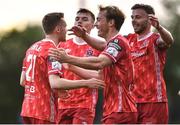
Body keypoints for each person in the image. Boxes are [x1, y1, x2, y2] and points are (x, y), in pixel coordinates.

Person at [49, 5, 137, 124]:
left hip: (120, 109)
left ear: (111, 22)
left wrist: (68, 59)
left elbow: (99, 62)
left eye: (99, 20)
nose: (96, 24)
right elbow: (99, 77)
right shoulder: (111, 44)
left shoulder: (118, 42)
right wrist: (71, 66)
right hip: (112, 109)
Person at [19, 12, 105, 124]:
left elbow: (23, 81)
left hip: (28, 109)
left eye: (84, 19)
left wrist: (52, 90)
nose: (67, 30)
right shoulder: (54, 51)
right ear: (58, 29)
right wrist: (86, 83)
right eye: (65, 27)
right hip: (43, 110)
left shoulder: (32, 48)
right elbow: (56, 83)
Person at [125, 4, 174, 124]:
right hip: (132, 102)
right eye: (132, 17)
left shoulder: (156, 39)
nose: (134, 21)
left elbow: (169, 41)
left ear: (150, 19)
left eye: (138, 17)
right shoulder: (128, 40)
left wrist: (159, 27)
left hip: (154, 102)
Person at [56, 8, 103, 124]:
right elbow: (54, 73)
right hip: (63, 103)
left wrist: (71, 66)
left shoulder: (98, 46)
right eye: (77, 19)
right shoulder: (62, 45)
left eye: (84, 19)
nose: (79, 21)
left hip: (85, 104)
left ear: (93, 25)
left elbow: (102, 77)